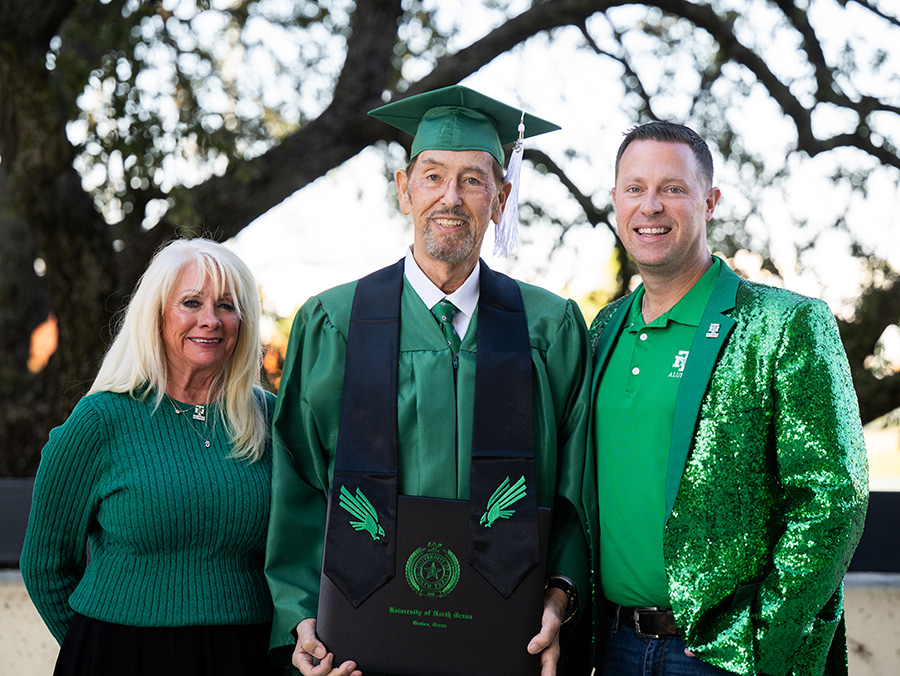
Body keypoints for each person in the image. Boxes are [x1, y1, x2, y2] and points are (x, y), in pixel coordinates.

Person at [265, 85, 592, 676]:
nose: (451, 196)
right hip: (360, 655)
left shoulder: (549, 329)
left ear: (501, 198)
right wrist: (299, 617)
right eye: (433, 175)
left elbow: (574, 491)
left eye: (473, 180)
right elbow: (299, 488)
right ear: (403, 189)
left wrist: (560, 598)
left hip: (505, 652)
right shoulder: (334, 323)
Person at [586, 121, 869, 676]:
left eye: (673, 188)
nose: (651, 206)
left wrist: (758, 637)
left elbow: (836, 498)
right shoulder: (603, 329)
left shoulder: (785, 323)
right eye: (635, 188)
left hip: (722, 657)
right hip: (613, 646)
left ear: (709, 201)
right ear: (616, 200)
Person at [21, 238, 279, 676]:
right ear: (157, 315)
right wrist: (98, 647)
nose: (210, 321)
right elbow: (45, 563)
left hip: (245, 656)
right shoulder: (101, 418)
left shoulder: (270, 418)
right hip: (122, 653)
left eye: (227, 306)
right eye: (191, 303)